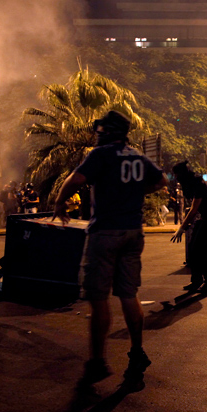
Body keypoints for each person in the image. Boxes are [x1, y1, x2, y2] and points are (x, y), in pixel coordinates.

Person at [53, 110, 166, 391]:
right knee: (129, 294)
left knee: (99, 296)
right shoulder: (138, 157)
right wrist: (135, 193)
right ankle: (136, 354)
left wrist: (59, 203)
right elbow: (161, 181)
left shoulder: (101, 154)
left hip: (105, 232)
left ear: (106, 131)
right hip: (132, 232)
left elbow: (75, 180)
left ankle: (98, 361)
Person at [171, 161, 207, 292]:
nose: (175, 177)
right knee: (193, 250)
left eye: (176, 174)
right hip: (204, 219)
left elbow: (193, 209)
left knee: (200, 252)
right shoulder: (192, 183)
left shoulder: (198, 184)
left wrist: (182, 228)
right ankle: (197, 281)